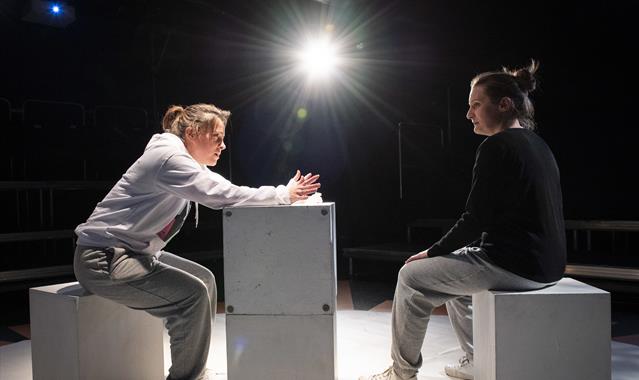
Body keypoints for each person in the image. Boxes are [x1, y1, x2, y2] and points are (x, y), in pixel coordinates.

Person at [73, 103, 321, 380]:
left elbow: (226, 189)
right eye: (217, 137)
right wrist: (282, 194)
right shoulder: (169, 159)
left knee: (205, 279)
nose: (223, 145)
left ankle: (194, 367)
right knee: (192, 297)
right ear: (192, 132)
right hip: (103, 258)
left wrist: (281, 194)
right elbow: (222, 195)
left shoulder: (181, 159)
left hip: (132, 253)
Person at [360, 60, 566, 380]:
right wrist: (448, 252)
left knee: (410, 278)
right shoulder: (537, 145)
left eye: (476, 105)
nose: (469, 114)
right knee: (453, 276)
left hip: (515, 265)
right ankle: (476, 360)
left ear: (504, 104)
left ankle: (401, 374)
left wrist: (431, 252)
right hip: (548, 265)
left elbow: (475, 218)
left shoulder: (496, 146)